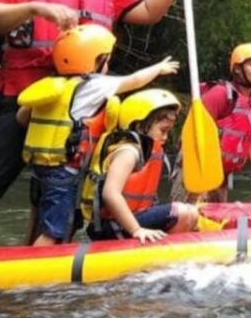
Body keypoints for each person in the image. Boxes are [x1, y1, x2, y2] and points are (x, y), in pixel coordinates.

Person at [0, 0, 195, 246]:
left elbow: (150, 10)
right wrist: (34, 7)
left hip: (76, 112)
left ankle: (33, 274)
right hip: (18, 97)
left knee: (52, 202)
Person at [16, 25, 179, 245]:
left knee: (42, 222)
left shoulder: (52, 87)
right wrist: (158, 68)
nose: (108, 65)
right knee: (56, 230)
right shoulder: (93, 85)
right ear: (96, 60)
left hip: (38, 168)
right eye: (107, 59)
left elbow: (22, 118)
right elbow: (133, 80)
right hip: (64, 172)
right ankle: (31, 274)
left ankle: (25, 259)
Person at [82, 89, 199, 243]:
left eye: (168, 131)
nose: (165, 137)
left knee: (192, 213)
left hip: (133, 217)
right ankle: (163, 256)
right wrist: (136, 229)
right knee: (184, 213)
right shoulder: (128, 152)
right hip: (111, 226)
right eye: (163, 130)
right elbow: (110, 194)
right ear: (139, 126)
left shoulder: (147, 152)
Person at [188, 42, 251, 203]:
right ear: (237, 68)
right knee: (191, 220)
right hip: (197, 173)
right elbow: (194, 135)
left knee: (218, 223)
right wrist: (200, 185)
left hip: (221, 175)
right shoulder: (220, 94)